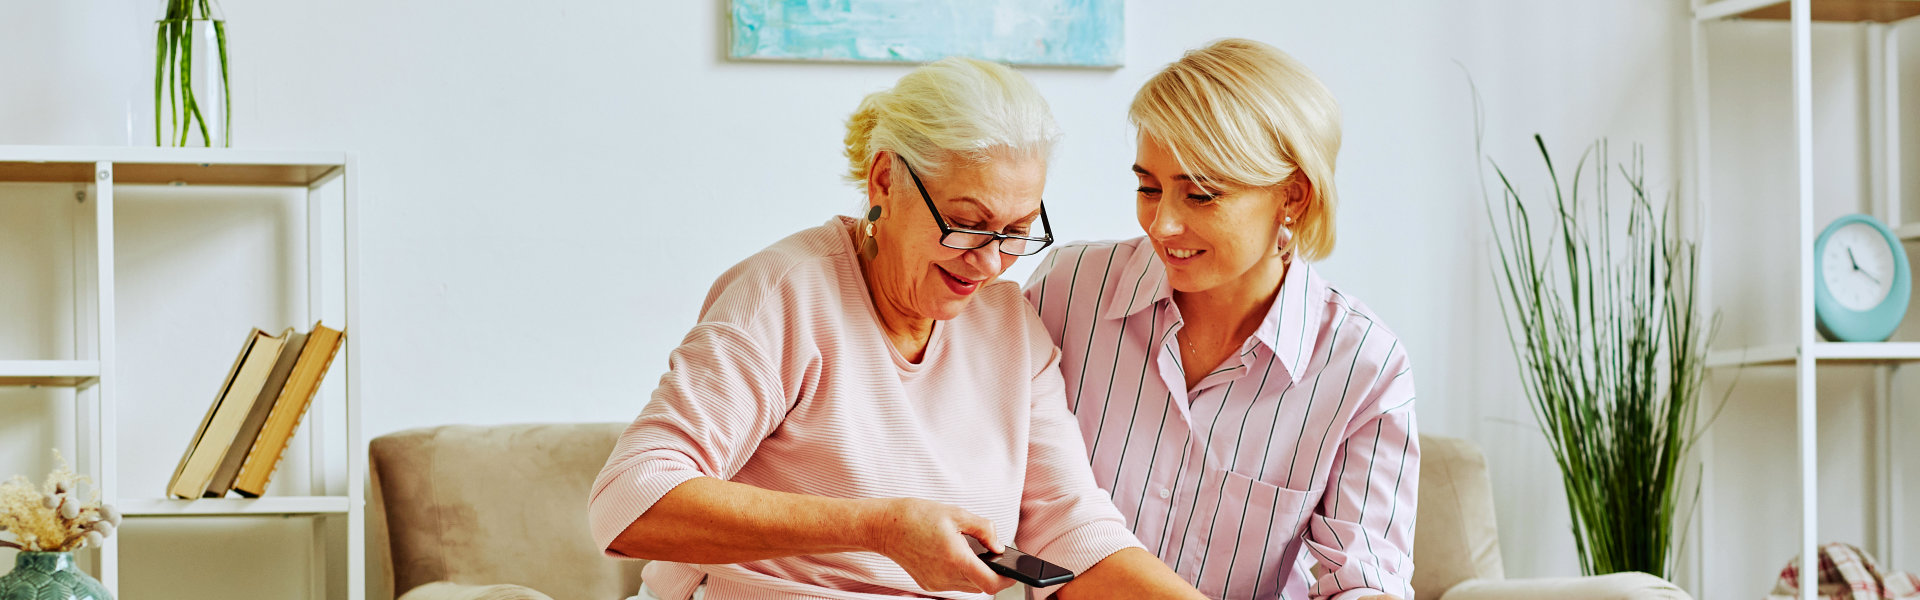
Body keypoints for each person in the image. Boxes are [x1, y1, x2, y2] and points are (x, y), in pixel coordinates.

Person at [587, 57, 1203, 600]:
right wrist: (877, 528)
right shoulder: (787, 295)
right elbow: (631, 499)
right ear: (885, 179)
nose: (990, 264)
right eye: (966, 222)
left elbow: (1069, 525)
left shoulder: (1010, 327)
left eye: (1015, 232)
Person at [1024, 39, 1418, 600]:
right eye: (1149, 188)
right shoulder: (1067, 291)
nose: (1161, 225)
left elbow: (1366, 577)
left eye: (1201, 195)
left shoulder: (1365, 367)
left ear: (1294, 196)